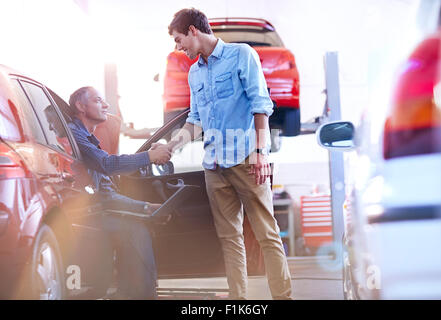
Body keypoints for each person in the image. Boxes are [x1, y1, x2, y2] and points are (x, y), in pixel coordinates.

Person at [155, 8, 292, 299]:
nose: (178, 48)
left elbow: (260, 105)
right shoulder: (194, 72)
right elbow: (195, 120)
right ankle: (238, 300)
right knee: (230, 238)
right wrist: (170, 146)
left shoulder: (241, 55)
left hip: (245, 159)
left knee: (267, 234)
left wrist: (260, 152)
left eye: (179, 40)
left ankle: (283, 297)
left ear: (193, 30)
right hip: (213, 165)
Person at [67, 86, 172, 299]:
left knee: (138, 223)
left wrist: (144, 207)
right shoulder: (74, 133)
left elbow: (107, 194)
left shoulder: (88, 140)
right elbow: (108, 164)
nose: (106, 105)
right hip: (78, 215)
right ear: (80, 106)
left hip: (95, 210)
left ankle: (136, 294)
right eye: (98, 100)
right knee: (132, 228)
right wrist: (149, 157)